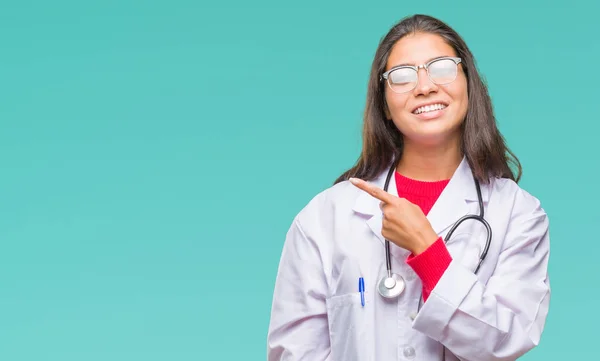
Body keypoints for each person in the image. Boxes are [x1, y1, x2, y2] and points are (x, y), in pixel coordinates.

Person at [266, 14, 550, 361]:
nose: (425, 86)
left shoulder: (517, 212)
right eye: (401, 77)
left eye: (441, 67)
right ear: (384, 104)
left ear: (468, 83)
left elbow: (506, 341)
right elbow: (295, 352)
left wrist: (427, 249)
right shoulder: (326, 217)